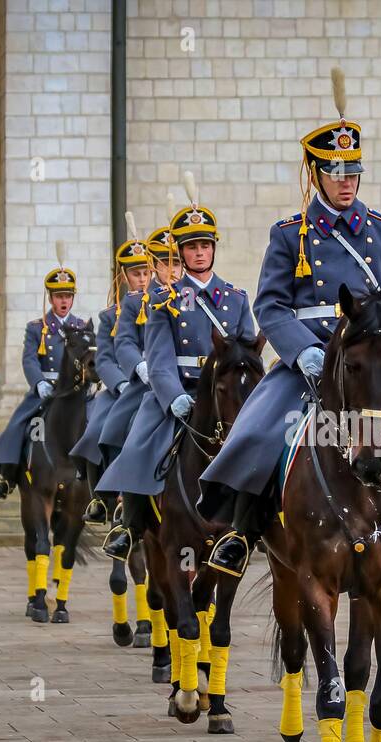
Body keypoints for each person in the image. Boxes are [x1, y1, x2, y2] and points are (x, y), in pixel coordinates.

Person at [198, 73, 381, 579]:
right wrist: (301, 352)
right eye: (337, 172)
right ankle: (240, 532)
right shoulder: (290, 235)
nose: (347, 180)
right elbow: (270, 305)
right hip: (309, 358)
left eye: (353, 171)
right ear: (316, 174)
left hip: (369, 357)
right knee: (259, 428)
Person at [101, 181, 258, 562]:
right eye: (191, 247)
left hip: (223, 392)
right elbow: (157, 359)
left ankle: (255, 523)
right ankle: (131, 524)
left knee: (260, 442)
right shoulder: (162, 299)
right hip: (179, 391)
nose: (199, 253)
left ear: (213, 248)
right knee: (140, 441)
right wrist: (173, 398)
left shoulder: (236, 299)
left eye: (205, 245)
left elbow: (250, 352)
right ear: (181, 252)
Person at [0, 260, 88, 498]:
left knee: (97, 424)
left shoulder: (82, 327)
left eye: (68, 296)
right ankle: (9, 477)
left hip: (74, 391)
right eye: (59, 296)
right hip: (46, 390)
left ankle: (99, 485)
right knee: (20, 424)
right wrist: (38, 382)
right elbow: (29, 359)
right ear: (50, 298)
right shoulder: (36, 328)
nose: (63, 301)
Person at [71, 228, 153, 522]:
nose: (142, 279)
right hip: (124, 386)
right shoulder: (111, 316)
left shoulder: (165, 304)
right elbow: (104, 358)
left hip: (161, 382)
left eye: (145, 272)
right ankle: (102, 497)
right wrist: (122, 382)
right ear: (123, 277)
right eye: (135, 274)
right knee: (96, 431)